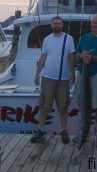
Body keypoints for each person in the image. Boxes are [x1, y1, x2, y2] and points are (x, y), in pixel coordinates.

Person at [31, 16, 75, 144]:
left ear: (62, 25)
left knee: (63, 107)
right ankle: (40, 130)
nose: (57, 25)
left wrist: (72, 74)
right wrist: (37, 74)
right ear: (51, 25)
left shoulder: (69, 39)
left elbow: (71, 56)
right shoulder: (47, 39)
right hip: (48, 78)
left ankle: (63, 131)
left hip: (63, 79)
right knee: (44, 106)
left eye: (59, 23)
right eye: (55, 23)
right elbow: (43, 56)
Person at [74, 14, 97, 147]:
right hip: (83, 73)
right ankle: (83, 131)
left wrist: (92, 58)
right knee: (81, 101)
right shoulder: (84, 38)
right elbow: (77, 54)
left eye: (96, 23)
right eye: (92, 23)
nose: (93, 25)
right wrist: (81, 56)